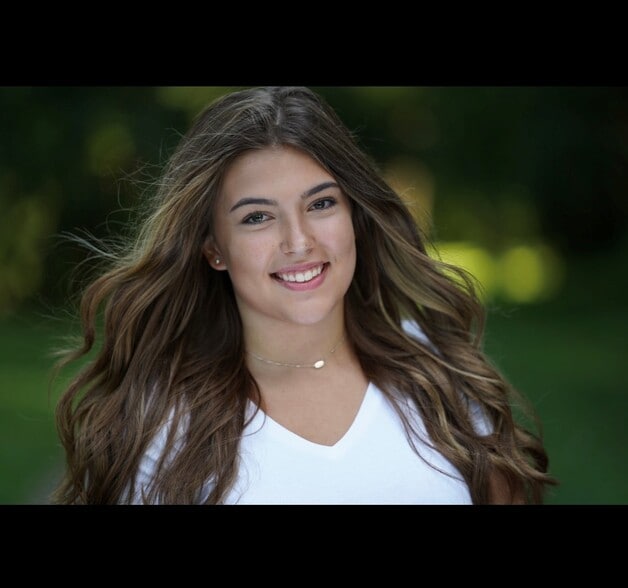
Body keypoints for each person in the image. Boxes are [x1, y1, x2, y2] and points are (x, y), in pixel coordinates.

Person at [51, 86, 557, 505]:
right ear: (213, 249)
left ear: (354, 213)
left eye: (320, 204)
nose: (298, 241)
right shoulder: (164, 426)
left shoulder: (438, 374)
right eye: (257, 217)